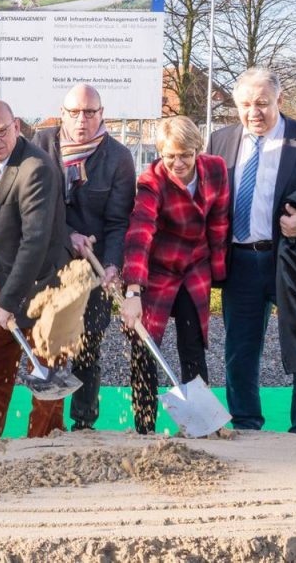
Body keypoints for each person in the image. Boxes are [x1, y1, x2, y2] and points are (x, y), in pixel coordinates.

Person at [209, 67, 296, 435]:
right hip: (240, 260)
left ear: (280, 100)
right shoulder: (220, 141)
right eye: (244, 104)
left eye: (262, 103)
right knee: (240, 349)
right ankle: (246, 423)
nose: (253, 112)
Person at [0, 99, 72, 439]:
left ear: (17, 126)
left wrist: (7, 302)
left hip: (44, 287)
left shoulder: (36, 168)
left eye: (1, 131)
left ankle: (44, 443)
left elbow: (34, 243)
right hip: (2, 279)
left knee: (46, 375)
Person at [32, 83, 136, 431]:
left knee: (88, 344)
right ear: (62, 113)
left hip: (93, 266)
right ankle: (44, 425)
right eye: (74, 112)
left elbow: (119, 221)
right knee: (48, 345)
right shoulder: (41, 145)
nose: (82, 120)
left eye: (90, 112)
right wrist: (67, 235)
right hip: (49, 261)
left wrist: (111, 266)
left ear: (101, 114)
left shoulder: (119, 157)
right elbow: (33, 207)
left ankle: (84, 423)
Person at [120, 116, 229, 434]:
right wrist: (134, 291)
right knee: (143, 343)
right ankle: (144, 425)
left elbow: (219, 221)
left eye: (185, 155)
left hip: (195, 266)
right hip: (157, 270)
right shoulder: (151, 181)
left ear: (198, 150)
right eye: (170, 156)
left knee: (192, 344)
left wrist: (220, 274)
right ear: (160, 154)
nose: (178, 163)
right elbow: (140, 232)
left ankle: (201, 424)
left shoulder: (216, 170)